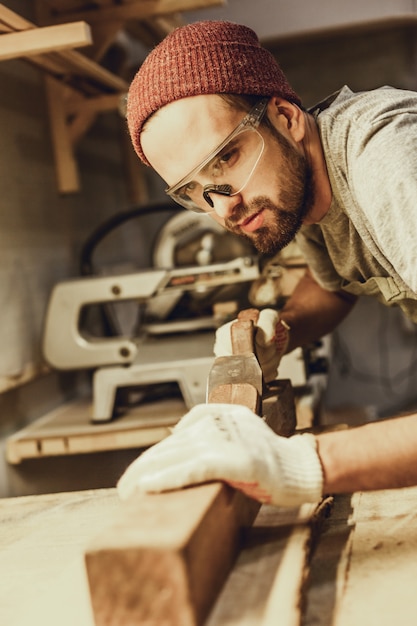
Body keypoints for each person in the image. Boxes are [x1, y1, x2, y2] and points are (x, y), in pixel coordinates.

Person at [117, 20, 417, 506]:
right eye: (195, 193)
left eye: (226, 159)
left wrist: (303, 463)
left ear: (285, 116)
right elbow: (334, 282)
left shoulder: (385, 159)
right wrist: (282, 332)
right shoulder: (306, 192)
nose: (223, 209)